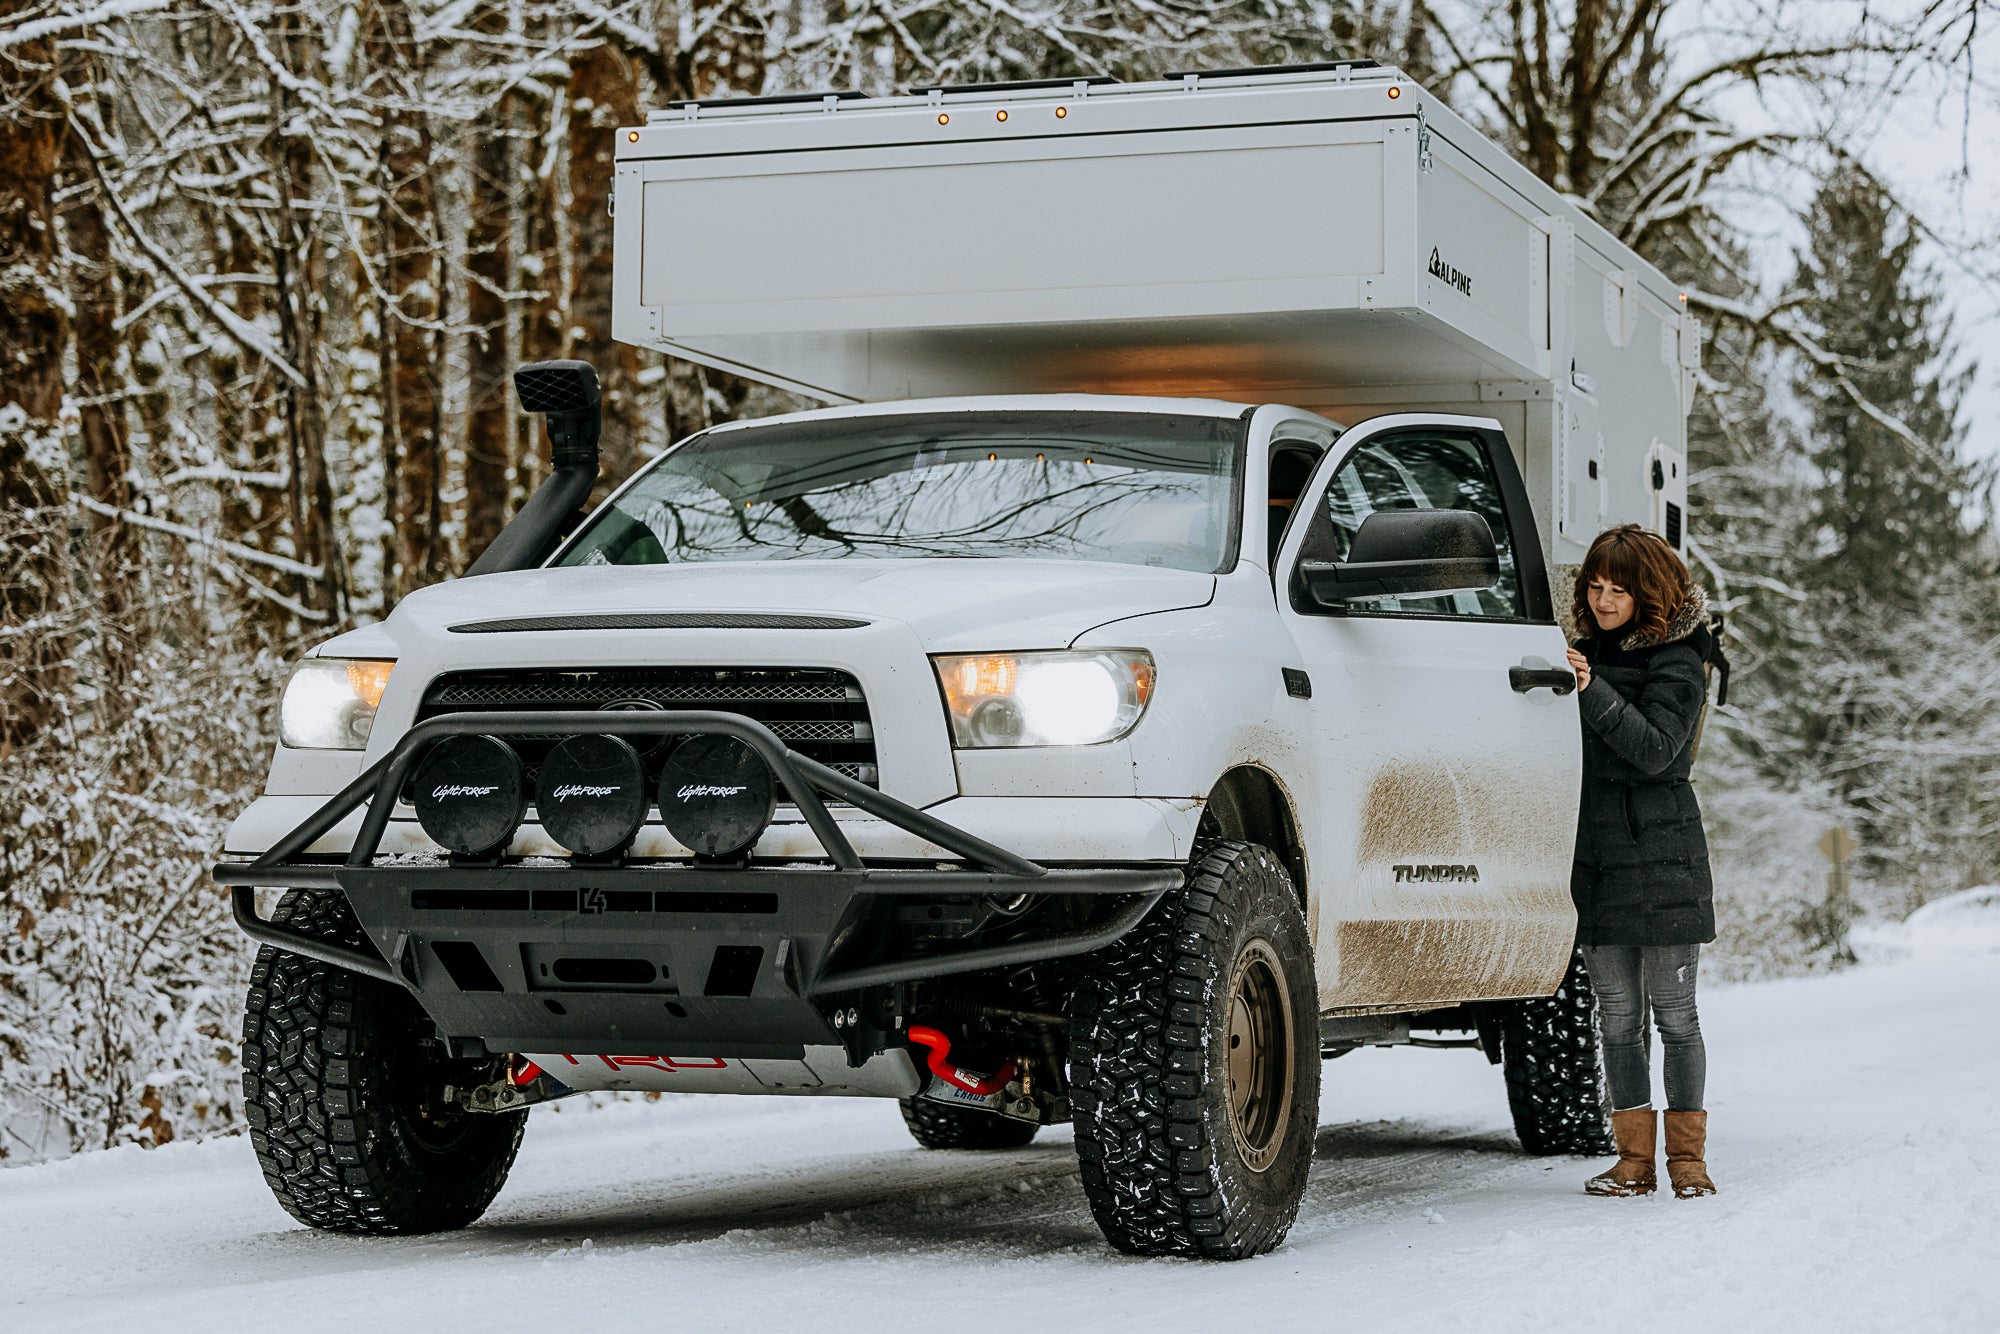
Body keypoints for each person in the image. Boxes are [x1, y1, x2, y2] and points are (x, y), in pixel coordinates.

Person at [1564, 523, 1719, 1200]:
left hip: (1664, 861)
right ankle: (1633, 1163)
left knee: (1675, 1015)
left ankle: (1687, 1162)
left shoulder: (1681, 660)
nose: (1602, 601)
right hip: (1597, 859)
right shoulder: (1578, 654)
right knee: (1617, 1022)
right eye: (1594, 587)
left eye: (1617, 590)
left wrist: (1592, 689)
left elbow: (1657, 750)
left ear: (1646, 593)